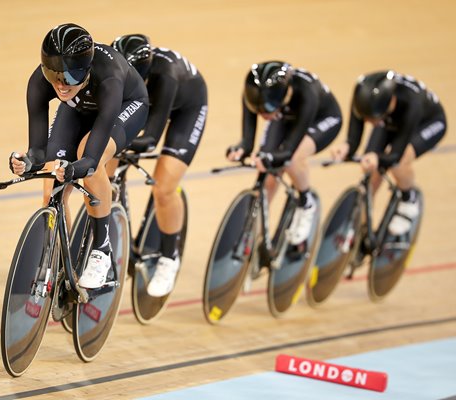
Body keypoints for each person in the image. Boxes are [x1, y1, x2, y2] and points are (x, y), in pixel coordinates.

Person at [9, 23, 149, 289]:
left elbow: (91, 159)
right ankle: (61, 262)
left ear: (86, 70)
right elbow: (38, 150)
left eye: (70, 77)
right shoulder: (42, 82)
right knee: (52, 184)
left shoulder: (108, 77)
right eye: (54, 75)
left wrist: (79, 168)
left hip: (124, 107)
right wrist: (27, 162)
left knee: (88, 159)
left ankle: (101, 250)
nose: (61, 85)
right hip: (78, 105)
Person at [111, 34, 208, 297]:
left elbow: (151, 138)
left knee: (163, 188)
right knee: (108, 162)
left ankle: (169, 257)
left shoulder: (165, 75)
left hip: (186, 107)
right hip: (144, 101)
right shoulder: (110, 66)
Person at [227, 61, 342, 245]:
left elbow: (288, 151)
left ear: (286, 93)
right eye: (259, 109)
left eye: (268, 107)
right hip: (284, 115)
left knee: (293, 159)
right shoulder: (254, 94)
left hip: (320, 119)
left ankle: (306, 202)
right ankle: (253, 232)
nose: (263, 114)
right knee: (268, 172)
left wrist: (275, 157)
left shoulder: (307, 92)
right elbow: (247, 141)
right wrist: (242, 149)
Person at [331, 70, 446, 235]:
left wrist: (379, 158)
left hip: (427, 122)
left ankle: (408, 198)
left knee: (399, 162)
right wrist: (347, 147)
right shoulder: (363, 98)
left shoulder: (411, 102)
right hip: (391, 118)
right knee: (371, 169)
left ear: (390, 102)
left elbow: (395, 156)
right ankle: (361, 229)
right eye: (366, 118)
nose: (369, 123)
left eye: (373, 119)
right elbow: (353, 139)